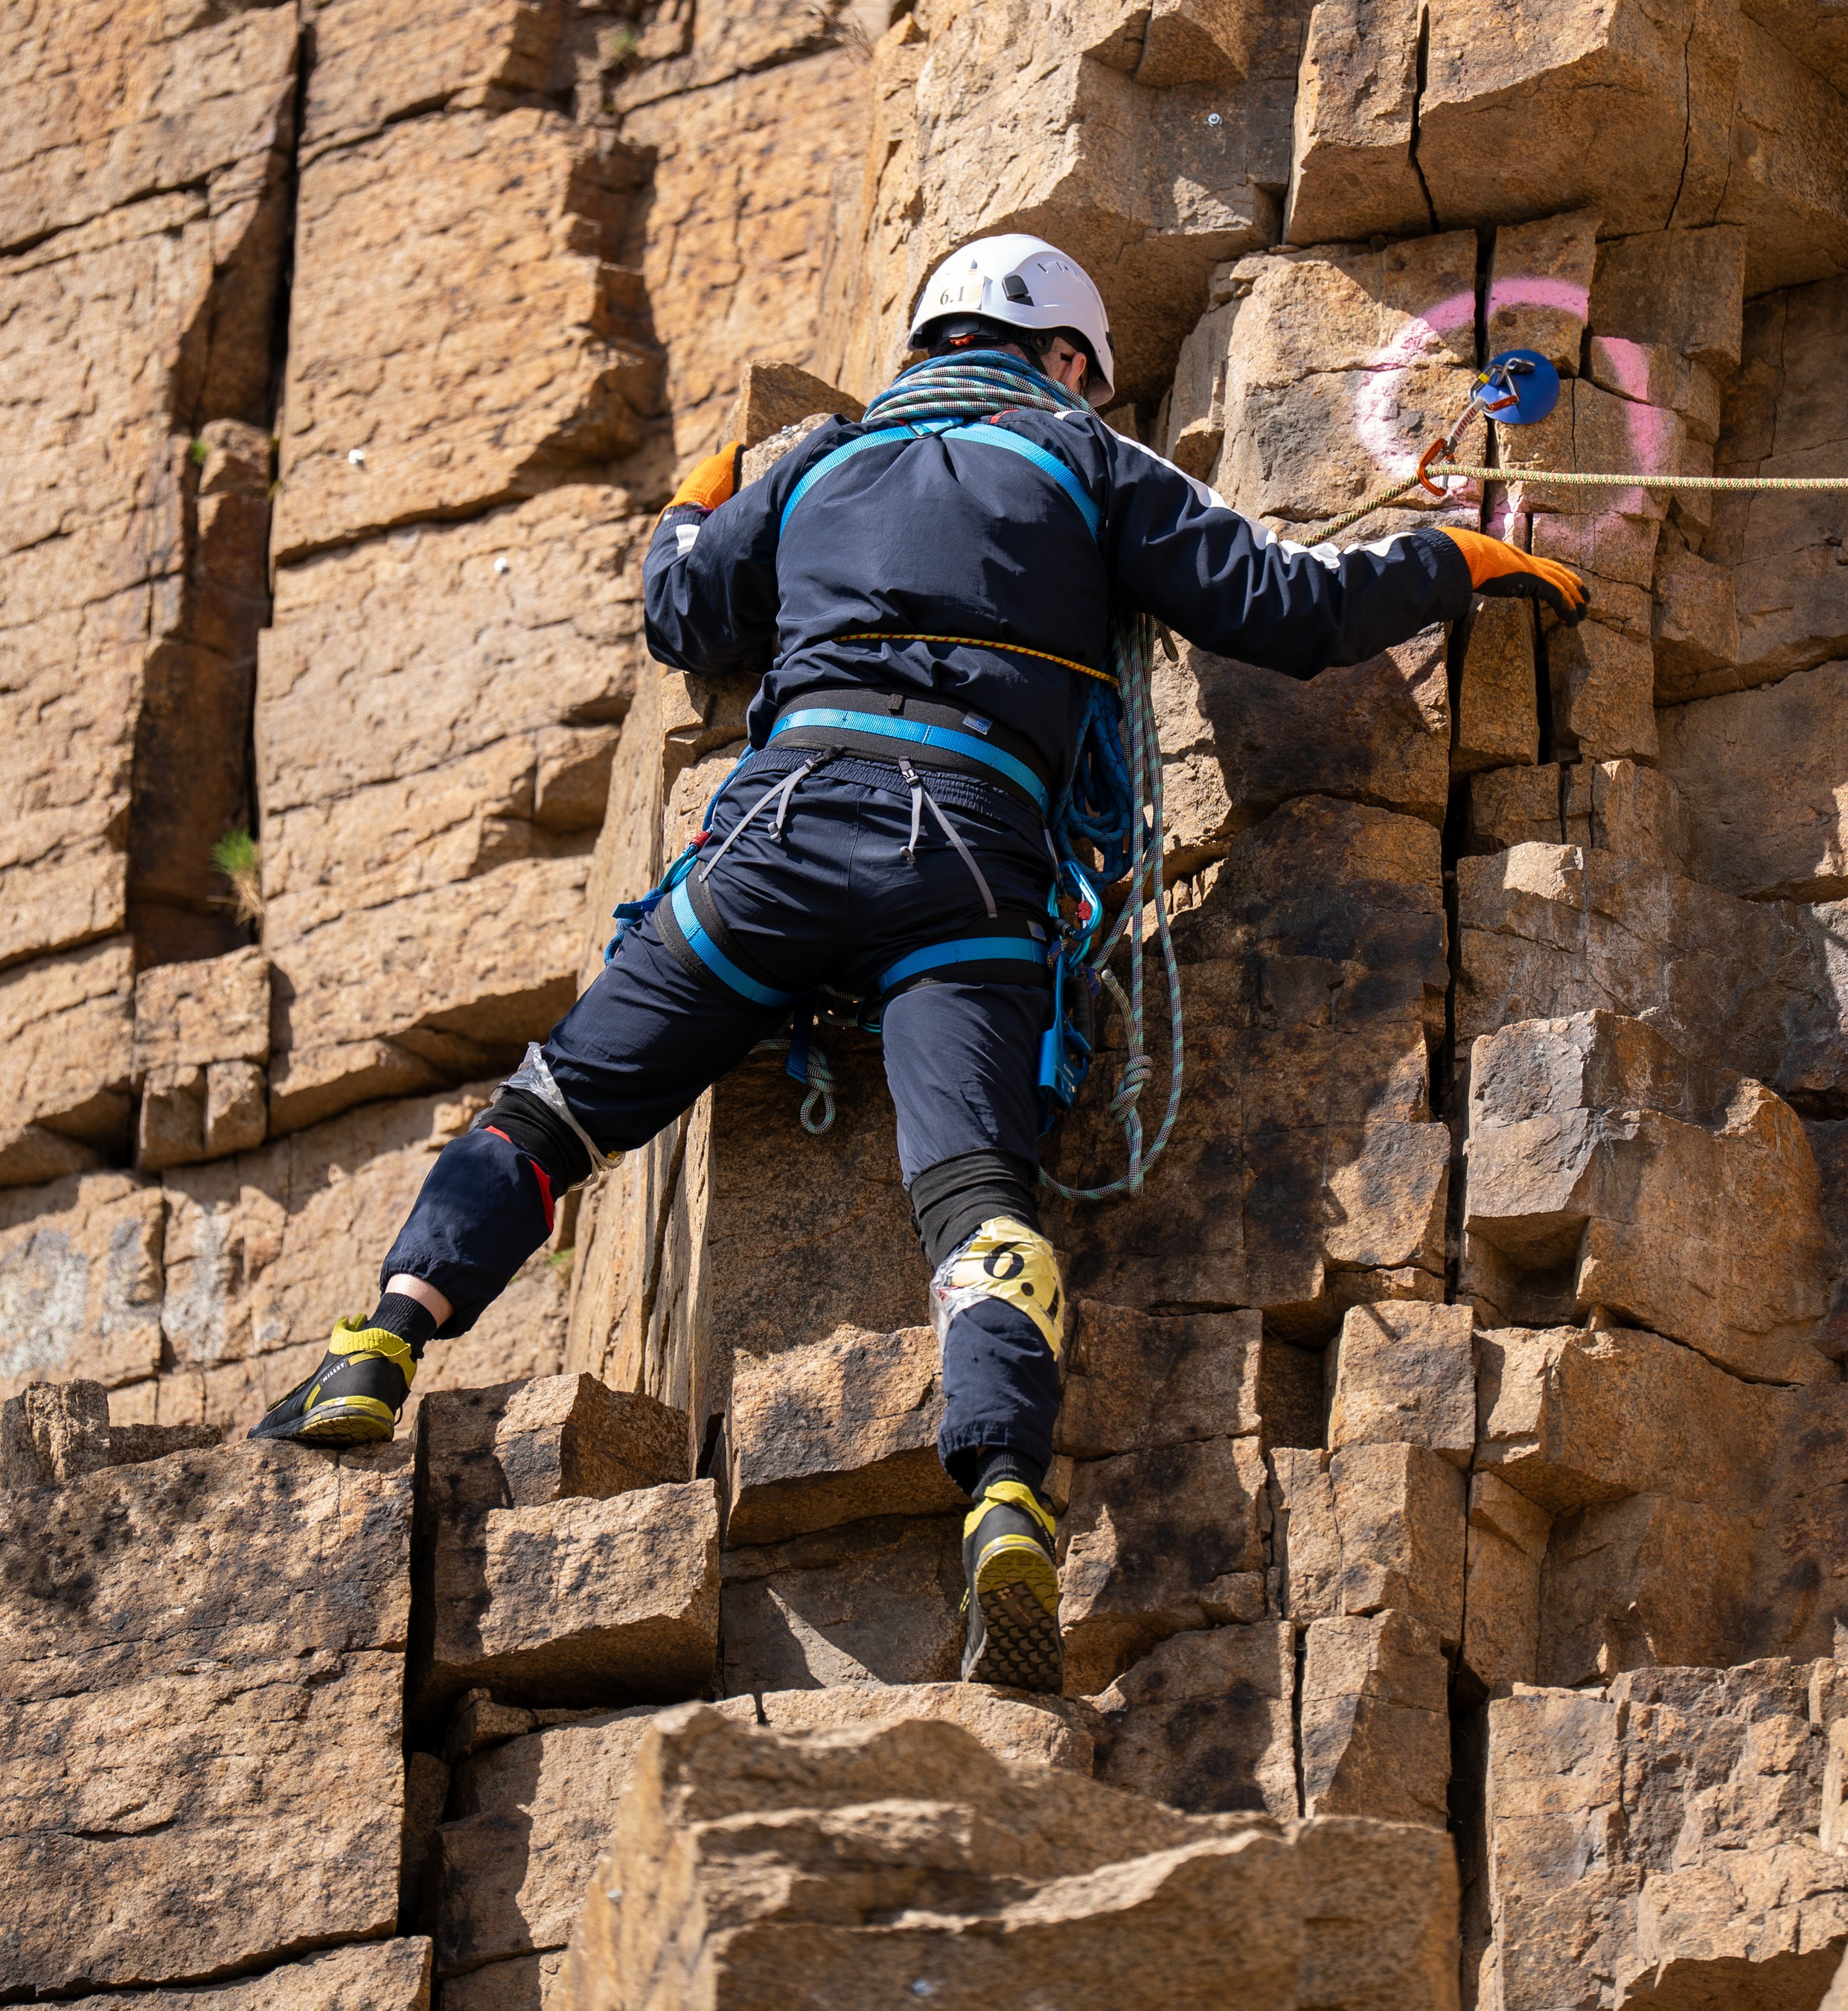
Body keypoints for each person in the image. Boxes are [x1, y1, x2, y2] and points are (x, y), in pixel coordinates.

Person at [252, 234, 1588, 1692]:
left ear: (928, 343)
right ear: (1069, 359)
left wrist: (697, 494)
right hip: (962, 855)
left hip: (780, 836)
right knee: (971, 1201)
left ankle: (379, 1342)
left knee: (552, 1114)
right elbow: (1288, 614)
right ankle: (1005, 1487)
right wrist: (1449, 559)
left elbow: (682, 612)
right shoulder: (1090, 463)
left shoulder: (821, 463)